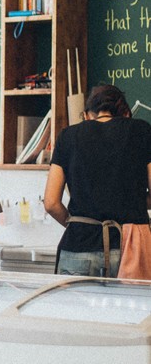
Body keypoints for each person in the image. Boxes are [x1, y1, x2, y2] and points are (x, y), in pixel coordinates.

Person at [44, 84, 151, 278]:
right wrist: (133, 202)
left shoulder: (67, 136)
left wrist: (77, 224)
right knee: (129, 310)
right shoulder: (142, 131)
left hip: (78, 246)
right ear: (125, 113)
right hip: (128, 249)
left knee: (75, 309)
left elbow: (51, 203)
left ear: (86, 115)